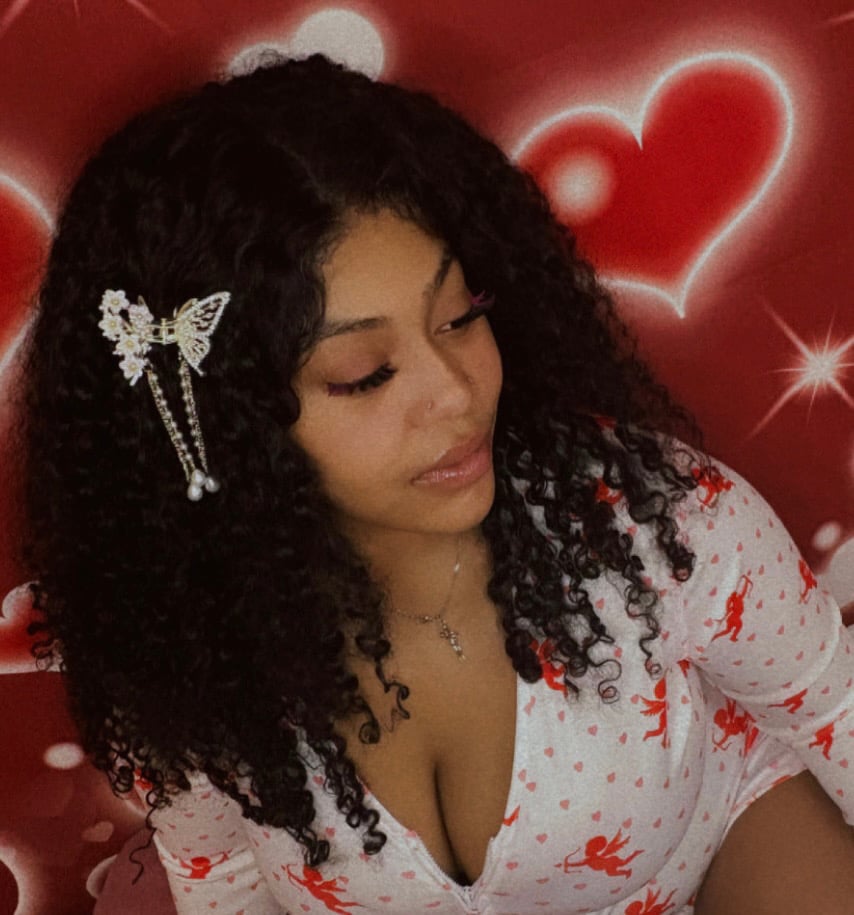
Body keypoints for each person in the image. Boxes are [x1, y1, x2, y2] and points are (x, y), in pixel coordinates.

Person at [15, 53, 854, 914]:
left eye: (459, 316)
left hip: (724, 845)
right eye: (365, 373)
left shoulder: (657, 524)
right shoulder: (185, 657)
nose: (458, 394)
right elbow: (222, 878)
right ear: (229, 427)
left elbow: (835, 708)